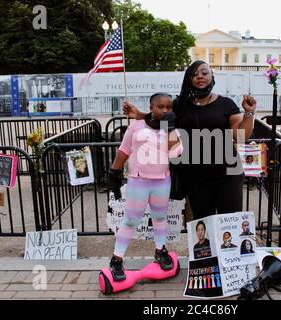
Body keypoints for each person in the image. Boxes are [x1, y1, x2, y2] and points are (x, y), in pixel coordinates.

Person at [122, 60, 257, 219]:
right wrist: (139, 115)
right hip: (195, 176)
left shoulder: (226, 104)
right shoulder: (180, 105)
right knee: (202, 223)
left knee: (229, 222)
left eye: (204, 73)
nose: (200, 76)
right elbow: (161, 119)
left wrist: (249, 113)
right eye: (194, 74)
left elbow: (240, 136)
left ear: (211, 76)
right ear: (188, 79)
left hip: (228, 173)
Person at [107, 93, 183, 282]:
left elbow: (175, 155)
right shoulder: (136, 126)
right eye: (160, 107)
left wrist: (170, 129)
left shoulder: (173, 130)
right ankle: (117, 259)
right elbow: (124, 150)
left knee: (159, 217)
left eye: (169, 107)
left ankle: (160, 250)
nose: (165, 110)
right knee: (131, 221)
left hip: (162, 181)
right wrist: (114, 171)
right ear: (151, 108)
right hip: (138, 181)